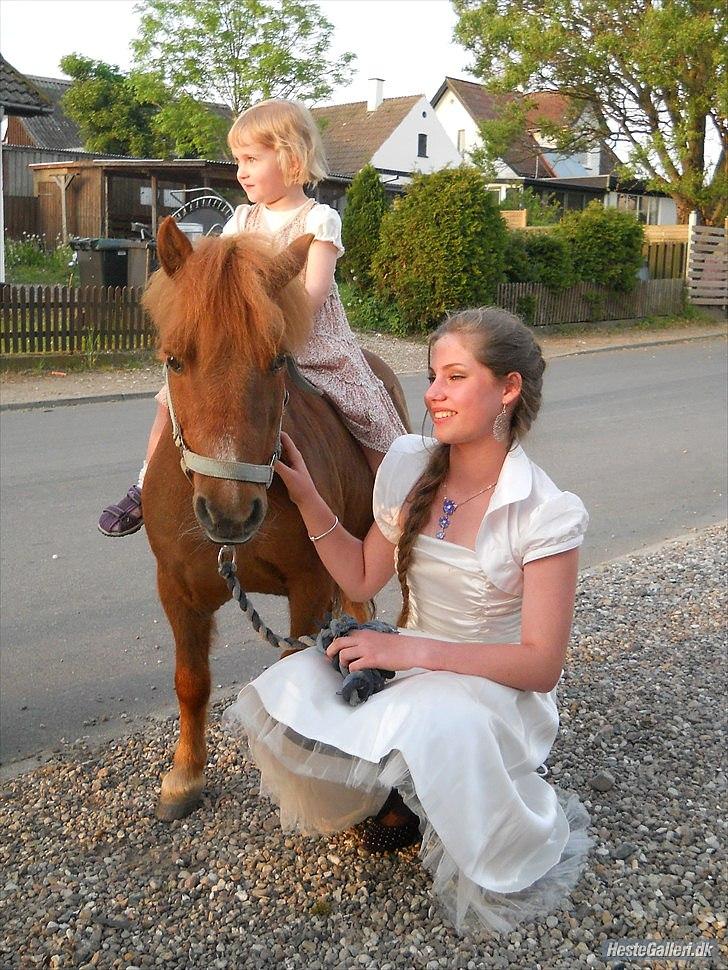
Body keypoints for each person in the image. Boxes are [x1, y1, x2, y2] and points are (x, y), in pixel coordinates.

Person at [222, 306, 593, 936]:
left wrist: (408, 653)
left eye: (455, 377)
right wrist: (308, 497)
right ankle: (397, 791)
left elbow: (540, 664)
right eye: (432, 376)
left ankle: (429, 796)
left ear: (508, 389)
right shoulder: (410, 466)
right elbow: (361, 579)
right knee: (295, 681)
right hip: (412, 659)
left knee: (436, 712)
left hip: (491, 686)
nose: (432, 394)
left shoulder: (545, 512)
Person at [98, 99, 405, 537]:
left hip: (310, 339)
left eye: (251, 159)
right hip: (245, 341)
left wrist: (265, 322)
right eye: (238, 160)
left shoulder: (318, 219)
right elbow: (217, 282)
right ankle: (145, 482)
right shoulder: (242, 219)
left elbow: (314, 294)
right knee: (167, 403)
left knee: (364, 405)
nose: (241, 171)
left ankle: (396, 492)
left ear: (291, 157)